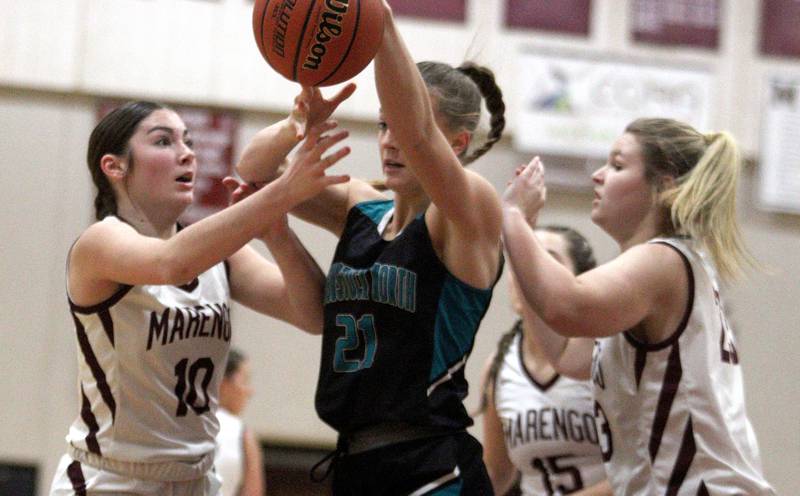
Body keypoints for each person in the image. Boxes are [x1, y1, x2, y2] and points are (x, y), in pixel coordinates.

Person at [236, 3, 506, 493]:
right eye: (383, 126)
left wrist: (377, 21)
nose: (390, 141)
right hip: (356, 461)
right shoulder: (362, 208)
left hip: (432, 465)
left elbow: (419, 133)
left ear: (459, 143)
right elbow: (255, 172)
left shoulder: (467, 214)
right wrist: (296, 124)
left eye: (399, 127)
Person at [49, 88, 353, 496]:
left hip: (198, 480)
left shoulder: (218, 254)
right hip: (113, 479)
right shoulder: (99, 243)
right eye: (163, 141)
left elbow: (313, 315)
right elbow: (171, 264)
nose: (187, 153)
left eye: (188, 141)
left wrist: (279, 233)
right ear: (115, 167)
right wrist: (282, 191)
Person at [501, 118, 775, 495]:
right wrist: (525, 230)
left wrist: (512, 217)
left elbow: (567, 306)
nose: (598, 175)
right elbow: (565, 352)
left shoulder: (662, 261)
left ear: (664, 187)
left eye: (617, 165)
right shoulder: (664, 268)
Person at [479, 226, 611, 496]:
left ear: (578, 279)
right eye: (518, 261)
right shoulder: (499, 365)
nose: (526, 272)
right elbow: (497, 472)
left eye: (546, 260)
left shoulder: (606, 353)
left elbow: (641, 467)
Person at [215, 348, 265, 496]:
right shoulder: (243, 434)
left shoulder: (180, 423)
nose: (250, 391)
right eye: (245, 381)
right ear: (222, 383)